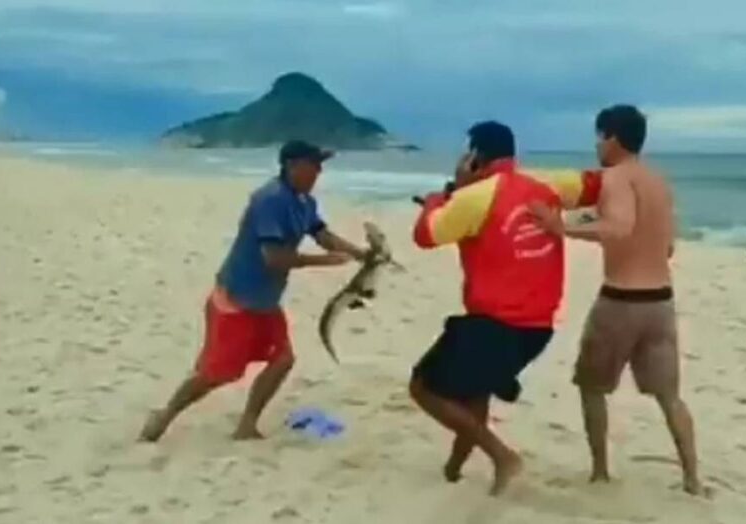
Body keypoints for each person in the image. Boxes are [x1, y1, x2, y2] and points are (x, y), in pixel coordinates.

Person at [409, 121, 601, 496]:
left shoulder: (474, 197)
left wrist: (440, 199)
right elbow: (598, 185)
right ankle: (453, 469)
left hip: (494, 323)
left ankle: (503, 457)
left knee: (423, 388)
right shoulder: (548, 184)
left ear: (475, 156)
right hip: (538, 329)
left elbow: (425, 235)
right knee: (474, 393)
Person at [139, 140, 367, 442]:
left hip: (266, 301)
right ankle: (164, 415)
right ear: (291, 166)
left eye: (320, 165)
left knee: (283, 360)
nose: (319, 172)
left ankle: (246, 425)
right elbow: (274, 258)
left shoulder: (304, 202)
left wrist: (360, 254)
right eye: (313, 165)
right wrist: (325, 262)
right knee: (216, 374)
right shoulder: (269, 200)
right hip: (236, 299)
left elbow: (322, 234)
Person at [528, 105, 703, 495]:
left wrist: (560, 229)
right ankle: (692, 478)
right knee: (670, 396)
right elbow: (666, 245)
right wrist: (580, 223)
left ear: (613, 138)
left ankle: (600, 472)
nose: (596, 145)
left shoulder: (615, 178)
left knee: (592, 386)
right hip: (661, 302)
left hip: (621, 301)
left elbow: (619, 227)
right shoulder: (658, 182)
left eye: (599, 137)